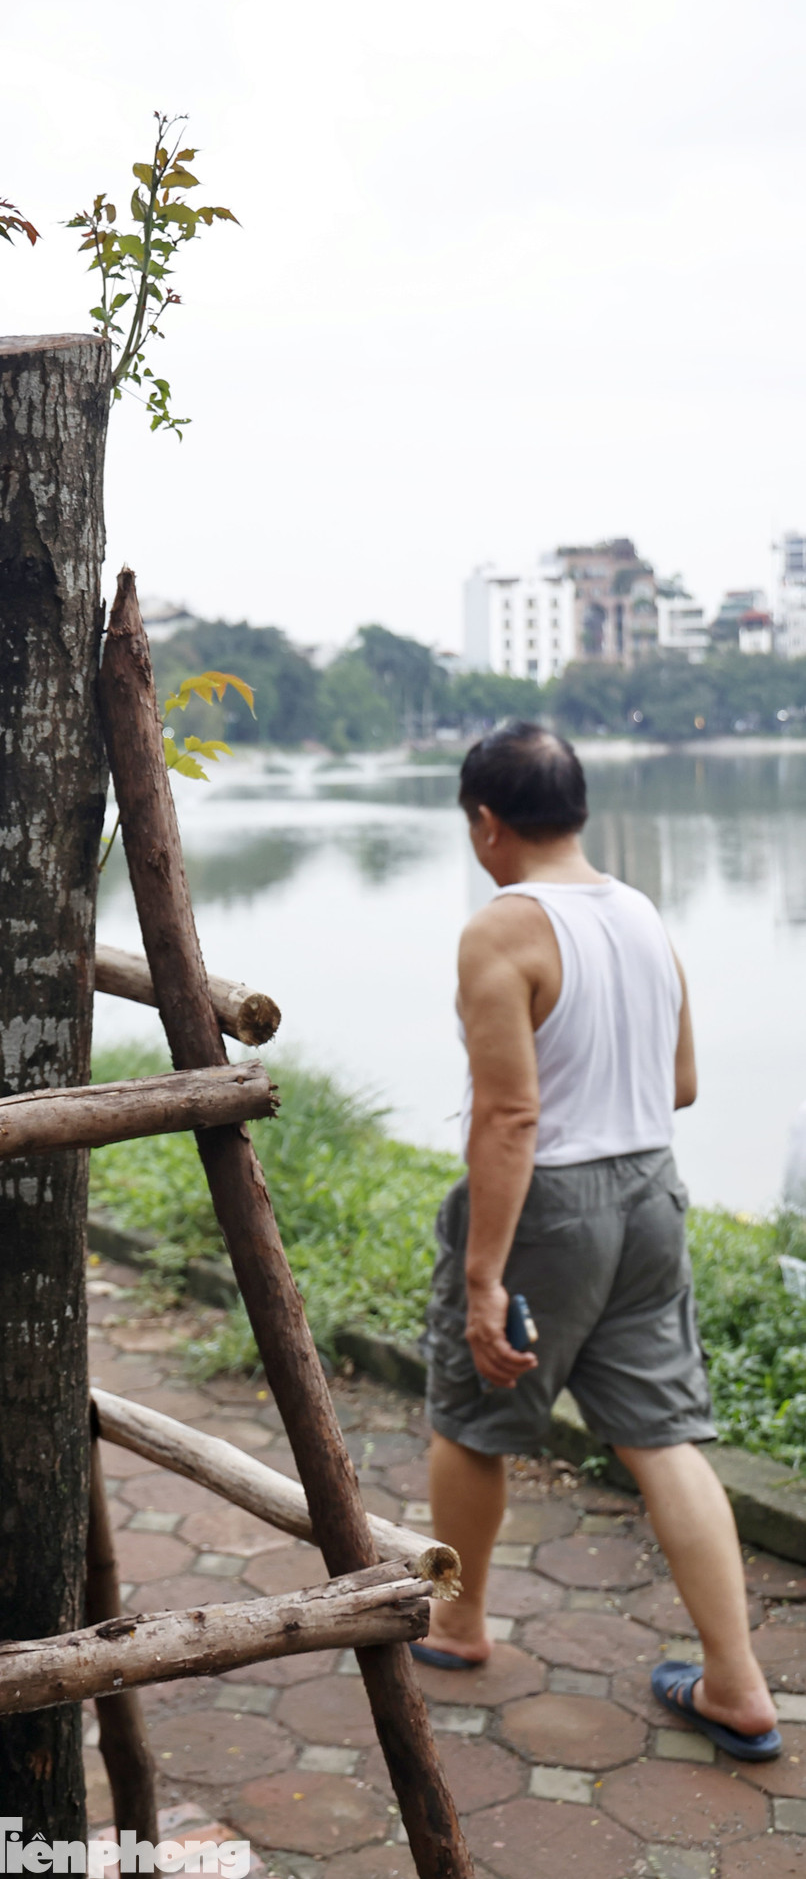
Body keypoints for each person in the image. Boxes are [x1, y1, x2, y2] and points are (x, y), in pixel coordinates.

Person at [418, 720, 780, 1762]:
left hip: (551, 1203)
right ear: (575, 811)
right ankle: (735, 1682)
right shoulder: (639, 912)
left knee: (474, 1415)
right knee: (661, 1435)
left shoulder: (501, 929)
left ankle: (458, 1622)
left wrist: (484, 1279)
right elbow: (681, 1082)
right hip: (651, 1192)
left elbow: (509, 1117)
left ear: (487, 823)